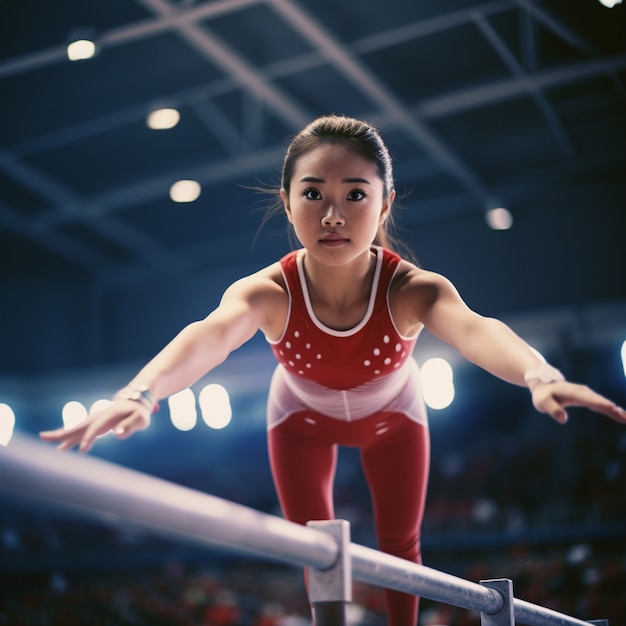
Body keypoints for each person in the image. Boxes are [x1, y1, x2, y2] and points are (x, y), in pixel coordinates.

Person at [40, 115, 626, 626]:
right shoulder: (268, 291)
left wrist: (540, 374)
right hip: (299, 422)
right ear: (288, 200)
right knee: (315, 548)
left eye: (355, 194)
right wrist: (140, 394)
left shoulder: (412, 290)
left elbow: (477, 329)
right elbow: (208, 338)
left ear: (386, 202)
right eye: (314, 194)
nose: (334, 215)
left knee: (401, 545)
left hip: (395, 421)